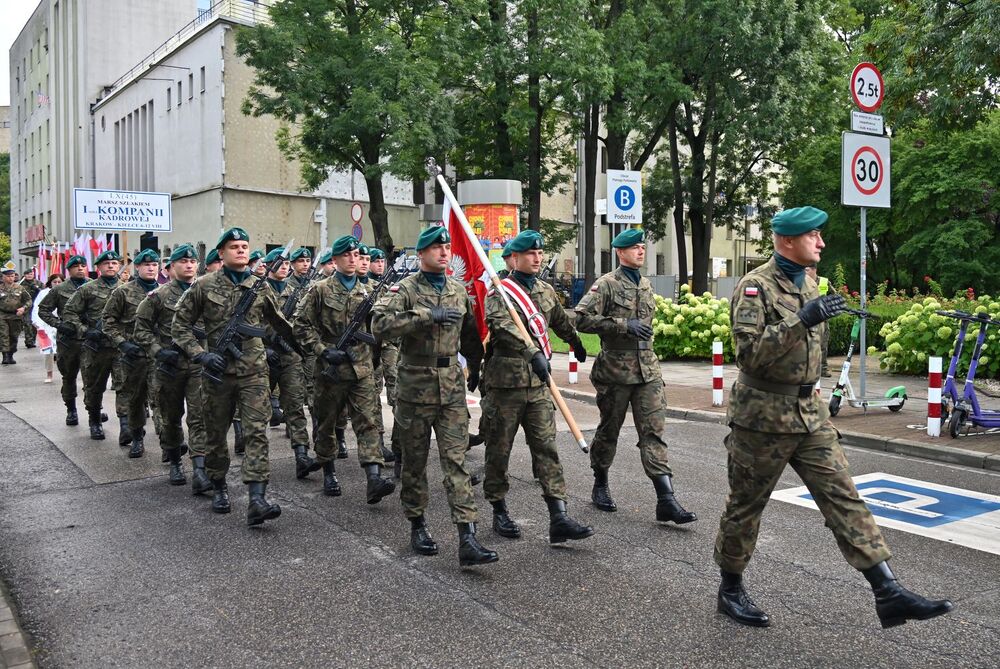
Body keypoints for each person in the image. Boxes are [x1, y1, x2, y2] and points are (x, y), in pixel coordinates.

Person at [714, 206, 953, 628]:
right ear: (787, 240)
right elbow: (748, 355)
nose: (821, 243)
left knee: (844, 496)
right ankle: (730, 589)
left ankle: (888, 591)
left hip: (809, 415)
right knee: (745, 508)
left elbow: (811, 350)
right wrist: (800, 320)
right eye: (813, 236)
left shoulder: (808, 282)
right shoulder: (755, 287)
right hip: (762, 419)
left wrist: (815, 378)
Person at [372, 226, 496, 567]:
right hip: (415, 386)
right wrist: (427, 315)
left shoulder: (458, 288)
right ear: (422, 253)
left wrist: (477, 365)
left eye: (446, 247)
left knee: (456, 461)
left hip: (452, 387)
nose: (444, 252)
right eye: (436, 247)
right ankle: (418, 524)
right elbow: (379, 324)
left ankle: (467, 536)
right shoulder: (406, 289)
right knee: (414, 463)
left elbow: (470, 331)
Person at [173, 228, 299, 527]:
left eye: (244, 246)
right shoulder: (203, 285)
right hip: (217, 372)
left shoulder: (261, 286)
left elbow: (276, 324)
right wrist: (200, 354)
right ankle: (218, 487)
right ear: (221, 253)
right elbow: (179, 326)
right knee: (216, 434)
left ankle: (257, 498)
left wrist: (299, 346)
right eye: (234, 247)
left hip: (254, 371)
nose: (241, 251)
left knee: (256, 431)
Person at [574, 228, 696, 524]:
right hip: (616, 370)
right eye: (635, 248)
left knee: (653, 432)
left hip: (648, 370)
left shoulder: (645, 285)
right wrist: (622, 325)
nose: (641, 251)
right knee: (609, 431)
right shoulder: (606, 285)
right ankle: (600, 482)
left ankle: (666, 499)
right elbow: (580, 319)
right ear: (620, 252)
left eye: (643, 247)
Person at [482, 230, 594, 545]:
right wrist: (532, 353)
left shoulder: (545, 290)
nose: (537, 258)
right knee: (499, 450)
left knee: (546, 447)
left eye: (540, 253)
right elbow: (503, 328)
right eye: (530, 254)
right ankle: (498, 509)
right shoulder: (500, 293)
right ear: (514, 258)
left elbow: (558, 320)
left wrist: (574, 339)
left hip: (537, 386)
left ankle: (558, 516)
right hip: (506, 385)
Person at [293, 235, 395, 504]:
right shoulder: (319, 290)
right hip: (330, 370)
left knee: (368, 422)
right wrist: (323, 350)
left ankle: (374, 477)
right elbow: (301, 326)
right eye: (346, 255)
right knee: (326, 423)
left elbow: (382, 327)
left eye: (356, 255)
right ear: (335, 260)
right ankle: (328, 471)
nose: (353, 259)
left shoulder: (371, 291)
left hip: (361, 370)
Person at [134, 245, 211, 491]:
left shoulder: (207, 293)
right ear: (172, 267)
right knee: (171, 417)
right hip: (170, 366)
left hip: (199, 365)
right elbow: (141, 330)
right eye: (183, 261)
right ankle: (176, 460)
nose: (189, 265)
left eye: (192, 261)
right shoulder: (158, 296)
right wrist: (158, 351)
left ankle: (199, 468)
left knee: (199, 416)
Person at [262, 247, 320, 480]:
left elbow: (302, 322)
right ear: (268, 266)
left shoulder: (295, 291)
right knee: (256, 411)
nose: (285, 266)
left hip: (289, 357)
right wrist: (264, 348)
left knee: (295, 407)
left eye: (287, 263)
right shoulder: (256, 291)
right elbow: (246, 325)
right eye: (279, 263)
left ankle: (302, 455)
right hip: (261, 359)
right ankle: (253, 457)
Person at [104, 249, 162, 458]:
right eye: (146, 265)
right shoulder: (123, 292)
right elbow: (108, 322)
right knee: (136, 400)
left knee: (160, 398)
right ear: (137, 267)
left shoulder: (164, 292)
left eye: (154, 265)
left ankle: (167, 443)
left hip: (158, 355)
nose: (150, 268)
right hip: (133, 355)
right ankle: (136, 437)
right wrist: (122, 343)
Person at [63, 250, 126, 440]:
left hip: (120, 347)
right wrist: (83, 330)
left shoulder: (127, 288)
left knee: (124, 386)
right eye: (106, 263)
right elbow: (69, 312)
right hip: (95, 347)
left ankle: (125, 426)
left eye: (114, 263)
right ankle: (95, 421)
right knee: (94, 387)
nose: (111, 266)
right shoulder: (87, 289)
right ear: (98, 267)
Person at [39, 255, 90, 424]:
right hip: (69, 340)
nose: (80, 268)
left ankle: (94, 412)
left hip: (91, 339)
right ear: (69, 270)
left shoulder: (94, 285)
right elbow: (44, 310)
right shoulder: (59, 289)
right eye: (76, 266)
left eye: (83, 265)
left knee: (92, 378)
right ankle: (71, 409)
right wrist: (59, 325)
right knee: (69, 376)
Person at [33, 274, 64, 383]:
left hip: (62, 324)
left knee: (64, 351)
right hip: (46, 325)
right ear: (50, 282)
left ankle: (66, 373)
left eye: (59, 282)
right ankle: (49, 373)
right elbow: (37, 308)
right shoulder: (43, 293)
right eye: (54, 282)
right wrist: (37, 323)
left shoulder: (66, 292)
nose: (57, 284)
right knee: (48, 351)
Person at [0, 262, 32, 365]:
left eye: (12, 276)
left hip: (16, 315)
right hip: (2, 315)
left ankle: (11, 354)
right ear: (3, 277)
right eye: (8, 276)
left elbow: (29, 300)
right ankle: (4, 355)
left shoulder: (20, 288)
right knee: (3, 335)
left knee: (14, 336)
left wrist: (23, 308)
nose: (10, 278)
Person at [805, 264, 832, 377]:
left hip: (822, 319)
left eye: (806, 269)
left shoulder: (824, 282)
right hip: (807, 318)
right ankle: (809, 369)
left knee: (823, 345)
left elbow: (834, 296)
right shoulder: (801, 282)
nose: (804, 272)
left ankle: (823, 369)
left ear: (814, 270)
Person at [20, 268, 43, 349]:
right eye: (27, 274)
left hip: (36, 306)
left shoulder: (38, 283)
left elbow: (43, 293)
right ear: (24, 275)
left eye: (31, 274)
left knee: (34, 324)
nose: (29, 276)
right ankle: (29, 341)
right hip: (26, 306)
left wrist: (37, 289)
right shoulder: (21, 284)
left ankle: (32, 340)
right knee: (27, 323)